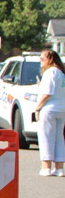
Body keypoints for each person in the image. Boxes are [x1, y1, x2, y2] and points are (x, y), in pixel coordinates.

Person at [35, 48, 65, 177]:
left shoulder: (50, 73)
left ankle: (46, 167)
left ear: (50, 59)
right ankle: (59, 168)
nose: (40, 61)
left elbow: (47, 93)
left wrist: (37, 107)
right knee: (59, 139)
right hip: (61, 108)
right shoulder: (61, 73)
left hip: (49, 109)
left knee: (46, 137)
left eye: (43, 58)